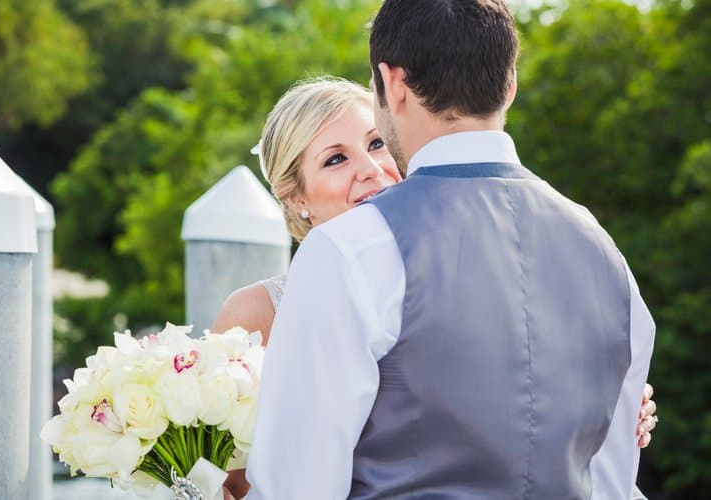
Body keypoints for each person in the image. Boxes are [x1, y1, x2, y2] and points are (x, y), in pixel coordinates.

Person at [236, 0, 656, 497]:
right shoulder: (604, 254)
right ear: (511, 83)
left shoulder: (351, 252)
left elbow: (295, 488)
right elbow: (613, 484)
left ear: (392, 84)